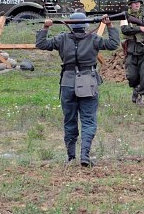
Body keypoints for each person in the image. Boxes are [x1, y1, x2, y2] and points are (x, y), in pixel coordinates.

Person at [35, 12, 119, 166]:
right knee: (88, 120)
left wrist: (45, 27)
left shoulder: (61, 39)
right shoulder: (93, 39)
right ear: (85, 26)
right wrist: (109, 25)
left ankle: (71, 157)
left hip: (68, 82)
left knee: (70, 120)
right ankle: (85, 156)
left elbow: (41, 44)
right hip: (88, 82)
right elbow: (113, 44)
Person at [121, 0, 144, 106]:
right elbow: (124, 30)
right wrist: (139, 28)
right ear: (130, 5)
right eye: (134, 3)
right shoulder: (125, 16)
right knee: (131, 76)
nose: (137, 4)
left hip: (143, 50)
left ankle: (142, 97)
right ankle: (136, 88)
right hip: (130, 50)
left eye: (138, 3)